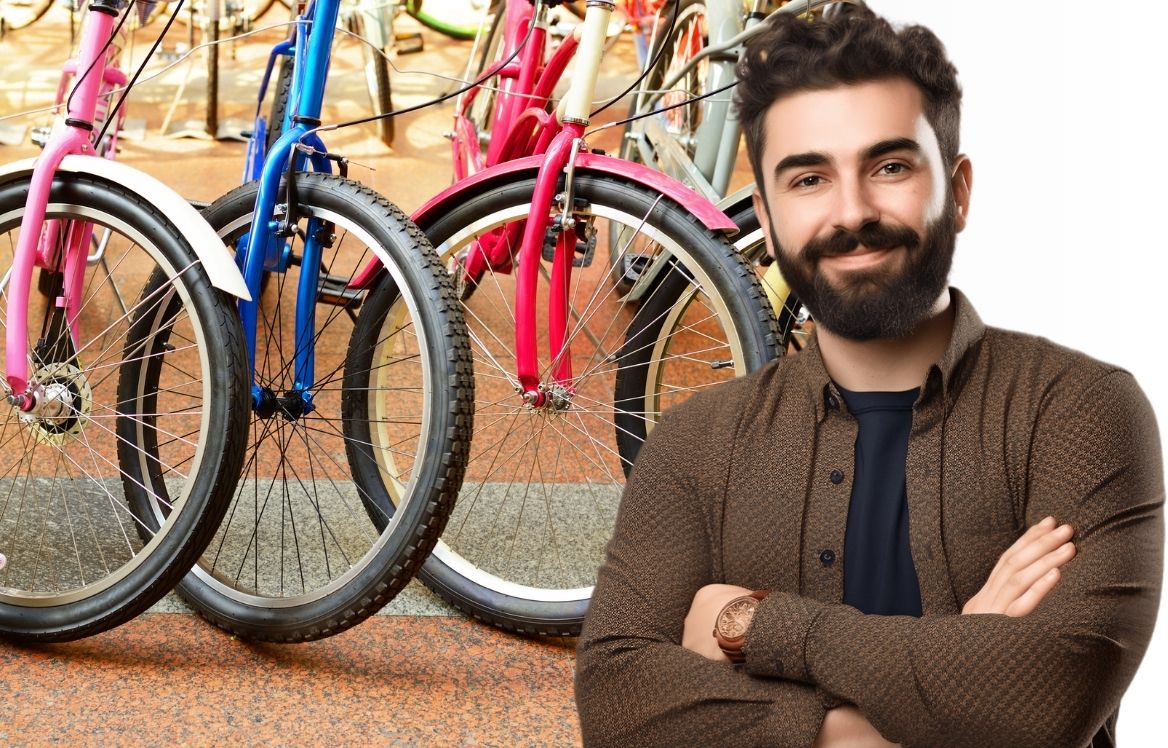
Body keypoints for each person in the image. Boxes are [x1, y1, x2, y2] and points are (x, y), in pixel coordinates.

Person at [573, 6, 1164, 747]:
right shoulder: (698, 442)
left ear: (960, 191)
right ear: (766, 214)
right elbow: (619, 705)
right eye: (809, 178)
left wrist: (755, 625)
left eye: (889, 167)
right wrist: (957, 656)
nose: (851, 212)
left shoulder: (1078, 411)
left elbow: (1045, 703)